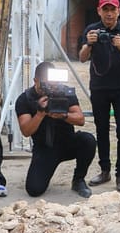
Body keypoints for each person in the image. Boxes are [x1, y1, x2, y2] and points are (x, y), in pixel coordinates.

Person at [79, 0, 120, 194]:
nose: (109, 13)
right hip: (99, 87)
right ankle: (105, 170)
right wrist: (89, 43)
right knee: (101, 130)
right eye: (106, 9)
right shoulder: (91, 30)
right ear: (99, 11)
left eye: (113, 9)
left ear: (119, 11)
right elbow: (82, 57)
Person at [15, 62, 96, 198]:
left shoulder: (64, 92)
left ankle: (78, 179)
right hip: (45, 148)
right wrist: (40, 113)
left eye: (54, 83)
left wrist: (64, 115)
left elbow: (80, 119)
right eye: (47, 84)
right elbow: (26, 131)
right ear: (36, 81)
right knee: (34, 189)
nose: (52, 88)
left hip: (68, 143)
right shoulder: (25, 99)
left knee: (88, 140)